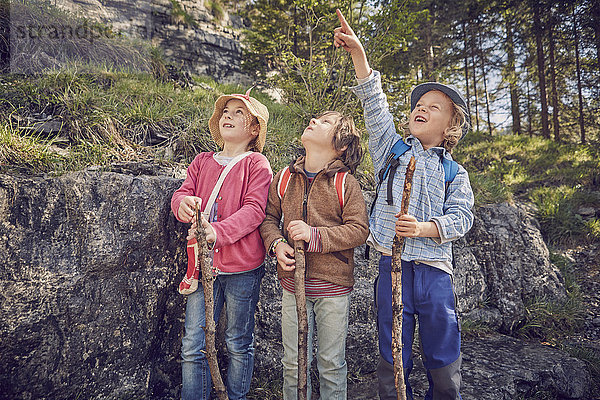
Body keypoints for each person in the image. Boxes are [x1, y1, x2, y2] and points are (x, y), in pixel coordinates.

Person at [334, 9, 474, 400]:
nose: (422, 108)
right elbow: (374, 104)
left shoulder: (455, 173)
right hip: (389, 264)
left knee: (442, 345)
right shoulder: (391, 151)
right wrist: (359, 56)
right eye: (419, 103)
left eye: (435, 107)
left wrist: (426, 228)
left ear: (450, 127)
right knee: (391, 344)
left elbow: (462, 217)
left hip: (434, 271)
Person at [260, 111, 369, 400]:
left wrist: (315, 236)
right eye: (314, 119)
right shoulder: (285, 177)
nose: (313, 121)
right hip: (292, 286)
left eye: (325, 122)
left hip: (333, 289)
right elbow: (269, 218)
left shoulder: (346, 184)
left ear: (341, 144)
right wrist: (276, 245)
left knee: (331, 364)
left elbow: (359, 230)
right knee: (293, 364)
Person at [171, 89, 273, 400]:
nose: (228, 115)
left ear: (254, 128)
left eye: (239, 112)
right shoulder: (202, 161)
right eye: (225, 111)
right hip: (203, 267)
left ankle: (237, 396)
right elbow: (181, 193)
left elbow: (255, 210)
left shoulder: (257, 163)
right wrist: (183, 204)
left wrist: (219, 231)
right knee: (193, 342)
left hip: (243, 267)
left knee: (238, 340)